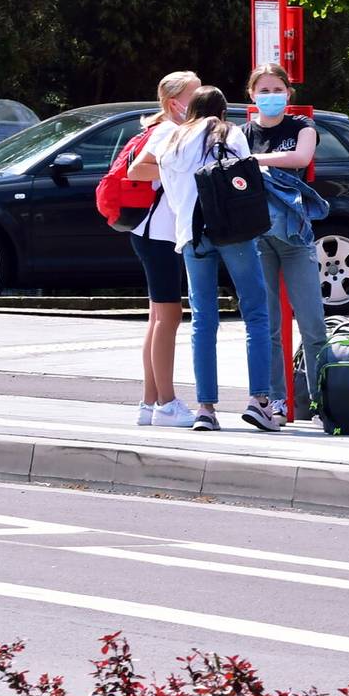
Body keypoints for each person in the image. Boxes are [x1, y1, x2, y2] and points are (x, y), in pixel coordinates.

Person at [129, 86, 275, 432]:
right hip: (233, 233)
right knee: (255, 311)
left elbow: (168, 186)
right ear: (223, 112)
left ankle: (205, 408)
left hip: (191, 236)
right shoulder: (231, 134)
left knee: (203, 320)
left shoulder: (172, 142)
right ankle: (259, 401)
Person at [242, 63, 328, 433]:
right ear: (251, 95)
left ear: (289, 93)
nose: (271, 96)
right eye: (263, 90)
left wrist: (254, 161)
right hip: (257, 235)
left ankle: (326, 399)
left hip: (294, 235)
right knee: (268, 326)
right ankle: (275, 402)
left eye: (277, 89)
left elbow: (300, 159)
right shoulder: (244, 132)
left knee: (312, 321)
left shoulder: (301, 127)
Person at [124, 71, 199, 430]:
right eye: (194, 95)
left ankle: (150, 402)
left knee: (158, 317)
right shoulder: (169, 130)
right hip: (159, 234)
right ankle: (166, 403)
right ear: (174, 103)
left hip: (152, 232)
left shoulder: (160, 128)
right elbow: (138, 170)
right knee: (168, 317)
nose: (199, 102)